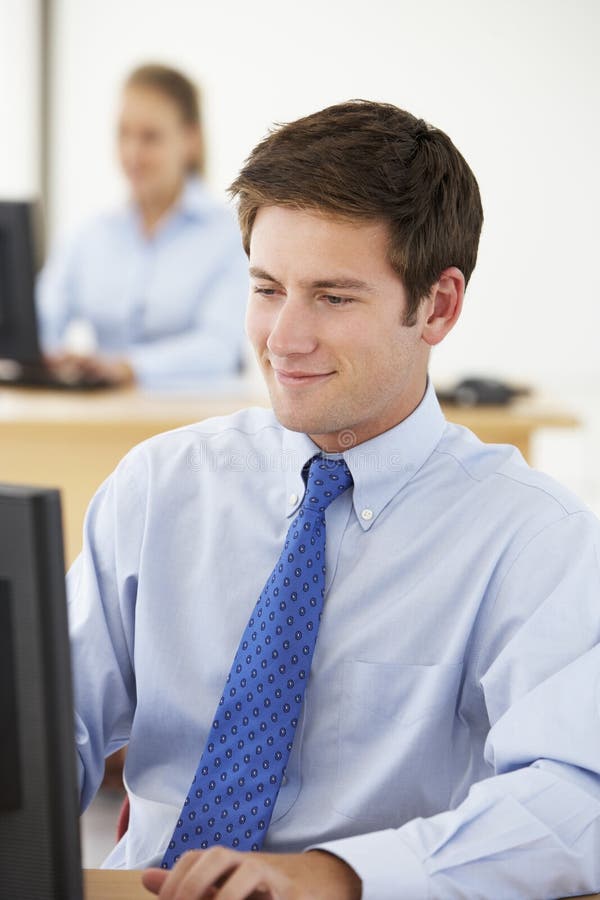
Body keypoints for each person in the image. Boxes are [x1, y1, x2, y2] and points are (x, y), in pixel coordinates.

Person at [68, 101, 600, 898]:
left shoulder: (533, 540)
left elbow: (576, 797)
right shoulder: (160, 487)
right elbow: (47, 722)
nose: (284, 338)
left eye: (333, 297)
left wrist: (336, 875)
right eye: (267, 288)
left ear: (439, 306)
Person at [37, 64, 248, 387]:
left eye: (150, 137)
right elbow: (44, 319)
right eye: (123, 134)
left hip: (191, 421)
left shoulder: (230, 237)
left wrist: (127, 367)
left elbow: (219, 347)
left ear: (190, 140)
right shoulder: (90, 235)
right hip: (100, 420)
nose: (132, 153)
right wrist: (50, 358)